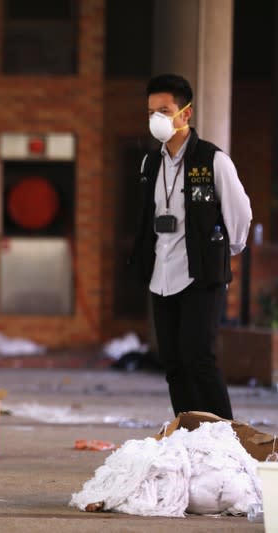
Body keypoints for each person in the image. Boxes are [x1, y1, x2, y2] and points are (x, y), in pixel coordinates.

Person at [130, 74, 252, 420]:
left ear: (186, 113)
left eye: (164, 110)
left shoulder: (213, 161)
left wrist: (223, 253)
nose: (157, 119)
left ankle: (225, 436)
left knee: (198, 357)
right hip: (161, 273)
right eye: (151, 111)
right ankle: (190, 433)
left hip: (200, 274)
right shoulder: (149, 163)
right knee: (172, 362)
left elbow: (240, 214)